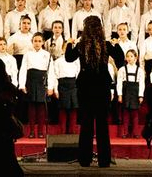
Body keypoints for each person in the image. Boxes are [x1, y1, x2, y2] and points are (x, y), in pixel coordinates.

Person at [65, 15, 114, 168]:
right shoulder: (106, 45)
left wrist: (69, 44)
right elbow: (120, 59)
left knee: (86, 124)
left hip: (85, 88)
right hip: (102, 88)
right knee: (102, 125)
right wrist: (116, 45)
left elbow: (68, 58)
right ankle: (104, 160)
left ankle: (84, 159)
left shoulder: (81, 46)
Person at [19, 32, 51, 138]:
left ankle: (41, 131)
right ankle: (32, 131)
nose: (37, 43)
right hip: (31, 80)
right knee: (32, 106)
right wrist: (22, 84)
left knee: (41, 107)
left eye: (39, 41)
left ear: (42, 42)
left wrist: (50, 86)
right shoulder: (27, 54)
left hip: (42, 80)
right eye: (35, 41)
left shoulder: (47, 55)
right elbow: (23, 69)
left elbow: (50, 71)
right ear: (32, 42)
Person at [48, 34, 81, 133]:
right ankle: (62, 131)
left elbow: (78, 72)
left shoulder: (76, 61)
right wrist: (56, 89)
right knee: (63, 109)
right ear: (62, 49)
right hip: (62, 85)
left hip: (73, 84)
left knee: (73, 108)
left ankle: (72, 130)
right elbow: (55, 76)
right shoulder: (57, 61)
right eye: (65, 47)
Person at [116, 48, 144, 138]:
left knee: (135, 114)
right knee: (126, 113)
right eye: (127, 56)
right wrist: (119, 95)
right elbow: (119, 83)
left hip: (135, 92)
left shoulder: (140, 70)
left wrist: (141, 95)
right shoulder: (122, 69)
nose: (129, 58)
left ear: (136, 58)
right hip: (126, 92)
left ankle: (136, 133)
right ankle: (125, 132)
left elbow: (142, 84)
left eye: (131, 56)